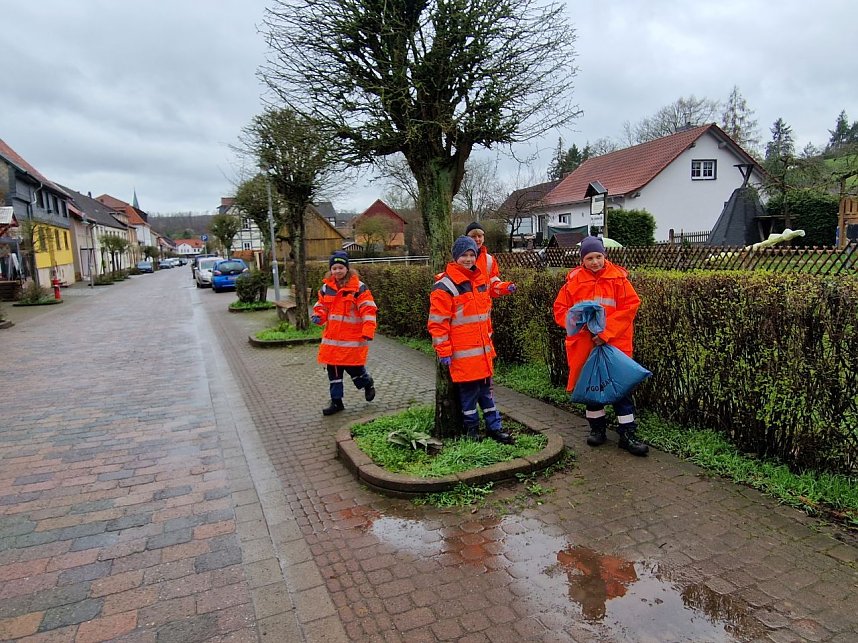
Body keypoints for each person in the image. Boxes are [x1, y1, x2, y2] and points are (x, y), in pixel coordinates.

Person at [552, 236, 648, 456]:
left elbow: (629, 308)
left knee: (621, 390)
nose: (595, 261)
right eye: (589, 258)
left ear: (605, 256)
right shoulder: (573, 282)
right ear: (582, 260)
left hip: (615, 345)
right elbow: (561, 310)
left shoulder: (619, 280)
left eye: (598, 257)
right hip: (587, 344)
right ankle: (597, 430)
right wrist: (579, 324)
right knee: (593, 388)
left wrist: (604, 333)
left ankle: (628, 433)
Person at [428, 236, 513, 444]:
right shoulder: (444, 286)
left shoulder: (480, 280)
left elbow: (483, 315)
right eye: (463, 255)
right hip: (463, 354)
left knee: (487, 395)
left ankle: (495, 428)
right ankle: (472, 432)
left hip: (483, 352)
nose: (468, 259)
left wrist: (506, 287)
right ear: (455, 257)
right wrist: (444, 352)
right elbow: (438, 324)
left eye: (471, 255)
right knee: (468, 397)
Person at [311, 251, 377, 416]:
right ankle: (336, 402)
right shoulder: (327, 288)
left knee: (356, 372)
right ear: (330, 270)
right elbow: (322, 306)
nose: (337, 271)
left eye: (341, 267)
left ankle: (367, 383)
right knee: (334, 375)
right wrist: (318, 316)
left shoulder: (358, 287)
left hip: (351, 340)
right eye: (334, 268)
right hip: (332, 341)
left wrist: (368, 330)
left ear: (347, 268)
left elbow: (368, 309)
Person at [464, 221, 517, 300]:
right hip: (464, 307)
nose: (477, 239)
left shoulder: (489, 260)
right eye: (473, 236)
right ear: (466, 238)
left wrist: (505, 287)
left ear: (483, 238)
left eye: (479, 236)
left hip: (483, 307)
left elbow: (492, 284)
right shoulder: (460, 259)